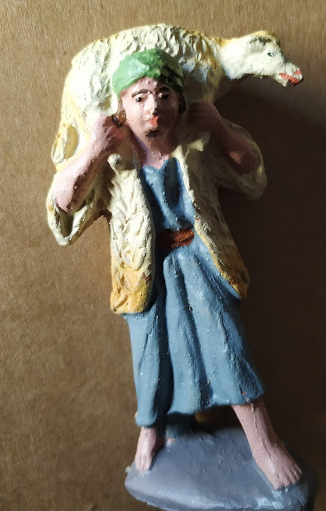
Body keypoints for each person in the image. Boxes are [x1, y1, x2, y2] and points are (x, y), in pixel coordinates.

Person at [48, 49, 301, 489]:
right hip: (143, 273)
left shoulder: (194, 149)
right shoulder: (114, 164)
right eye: (140, 96)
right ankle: (155, 430)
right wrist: (93, 148)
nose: (154, 106)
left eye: (164, 94)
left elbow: (248, 167)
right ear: (121, 107)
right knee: (152, 356)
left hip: (200, 262)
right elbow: (65, 203)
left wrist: (219, 127)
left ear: (180, 102)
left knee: (227, 343)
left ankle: (264, 443)